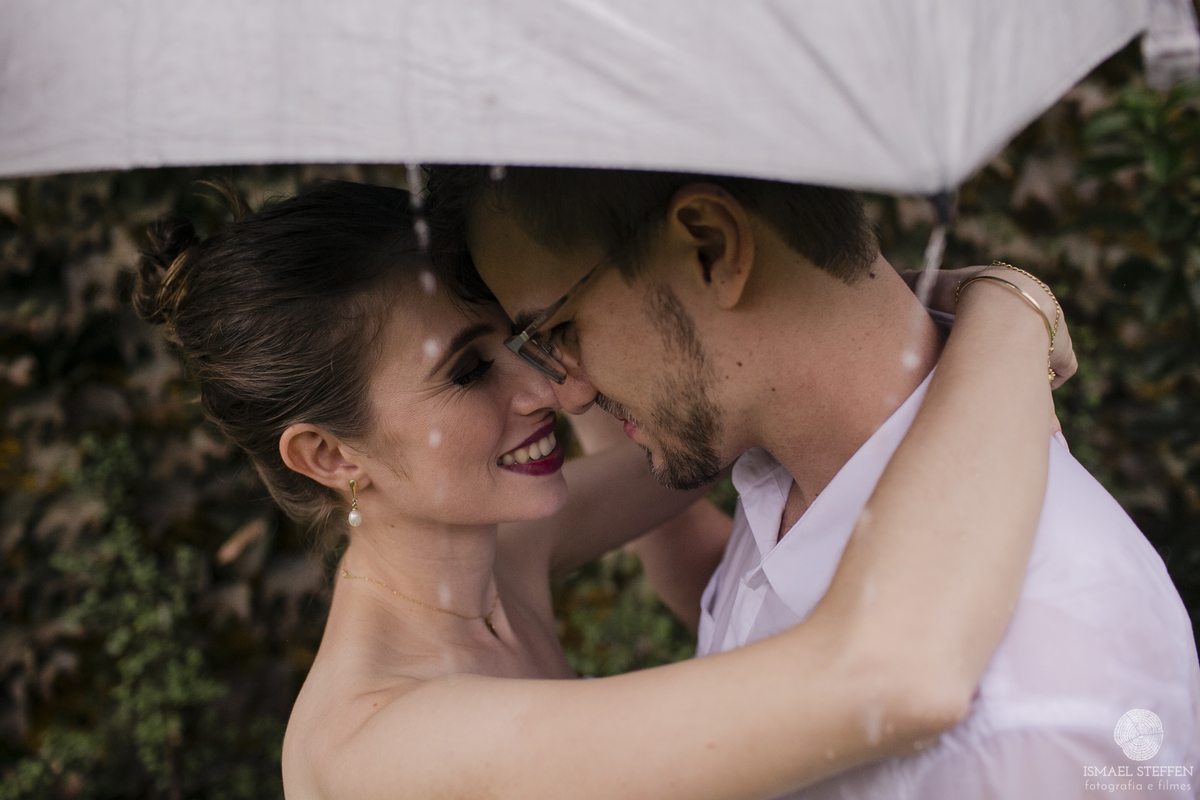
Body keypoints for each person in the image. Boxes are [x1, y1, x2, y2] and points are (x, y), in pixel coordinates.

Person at [136, 180, 1064, 800]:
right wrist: (1009, 314)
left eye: (528, 337)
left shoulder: (494, 558)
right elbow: (894, 678)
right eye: (467, 374)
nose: (551, 386)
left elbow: (749, 415)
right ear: (332, 457)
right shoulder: (377, 744)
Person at [427, 166, 1200, 798]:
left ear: (712, 247)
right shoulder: (788, 467)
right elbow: (749, 618)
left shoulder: (1028, 721)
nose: (566, 393)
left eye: (557, 331)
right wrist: (1006, 300)